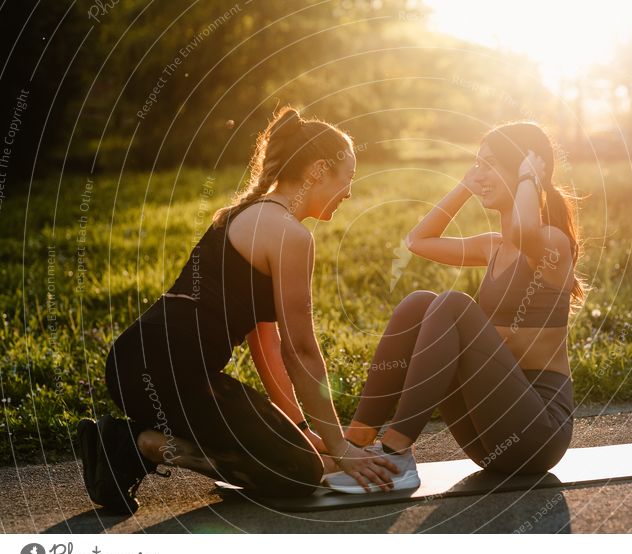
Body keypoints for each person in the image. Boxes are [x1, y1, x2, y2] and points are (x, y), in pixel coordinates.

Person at [77, 107, 399, 514]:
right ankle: (136, 446)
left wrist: (301, 428)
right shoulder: (289, 234)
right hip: (171, 373)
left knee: (301, 458)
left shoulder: (243, 215)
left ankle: (134, 444)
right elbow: (300, 349)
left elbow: (267, 345)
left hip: (135, 367)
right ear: (318, 171)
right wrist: (338, 445)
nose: (350, 192)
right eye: (347, 178)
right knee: (299, 472)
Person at [325, 121, 588, 493]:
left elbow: (524, 231)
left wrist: (532, 179)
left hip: (536, 434)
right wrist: (468, 185)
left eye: (490, 164)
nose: (479, 173)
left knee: (453, 305)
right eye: (476, 164)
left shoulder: (553, 245)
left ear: (525, 168)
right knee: (420, 303)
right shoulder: (493, 247)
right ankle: (356, 443)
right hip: (488, 438)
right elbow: (418, 240)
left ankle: (397, 452)